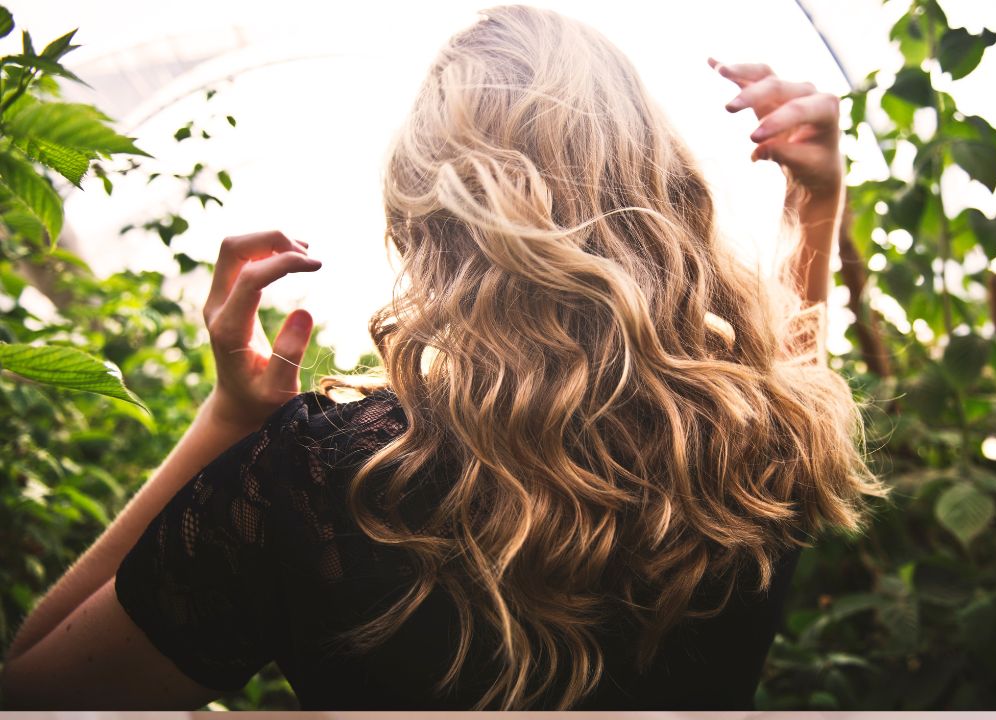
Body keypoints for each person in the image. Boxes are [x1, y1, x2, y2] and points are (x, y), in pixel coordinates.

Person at [1, 5, 887, 711]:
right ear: (656, 184)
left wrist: (230, 421)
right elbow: (784, 370)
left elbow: (36, 694)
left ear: (422, 220)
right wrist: (816, 203)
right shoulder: (762, 444)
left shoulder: (321, 478)